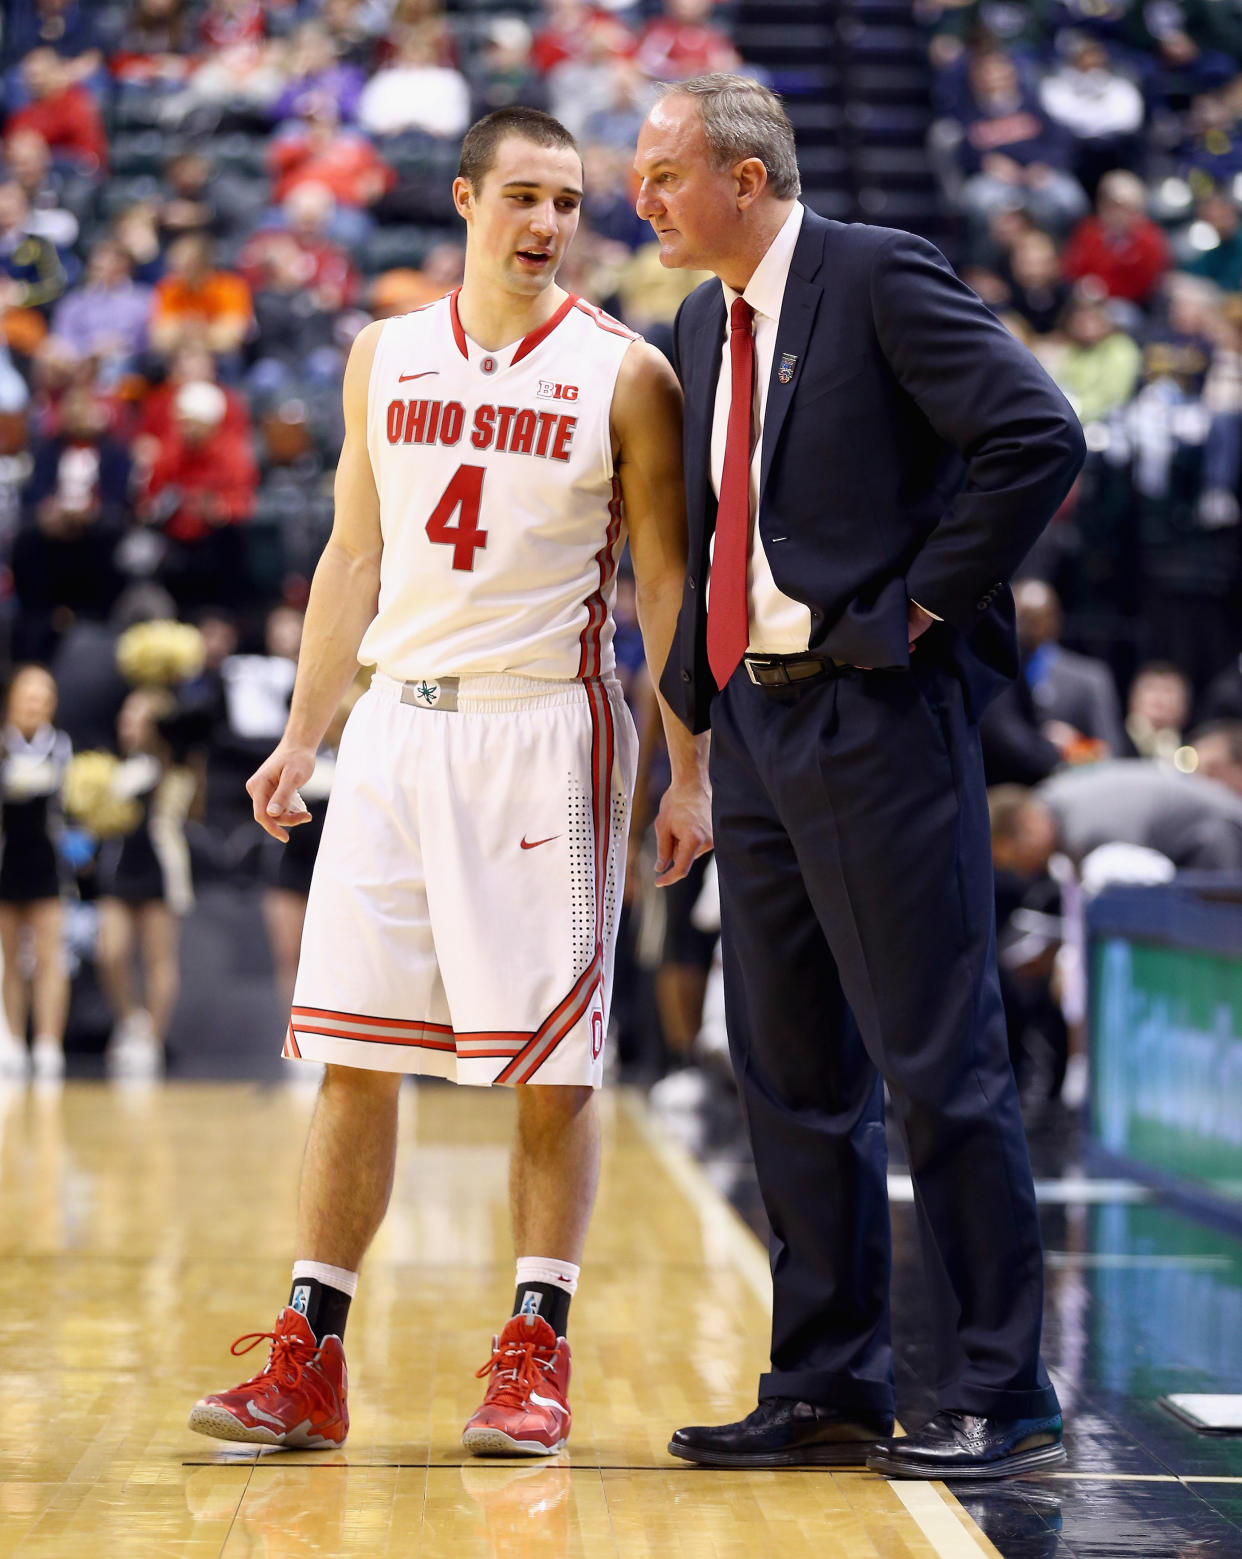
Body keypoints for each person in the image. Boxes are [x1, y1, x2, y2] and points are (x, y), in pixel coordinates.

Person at [188, 106, 709, 1458]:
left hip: (550, 731)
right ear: (467, 199)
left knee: (552, 1067)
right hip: (396, 735)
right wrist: (308, 728)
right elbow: (352, 556)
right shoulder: (384, 351)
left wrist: (687, 765)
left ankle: (536, 1348)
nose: (547, 223)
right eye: (524, 196)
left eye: (569, 203)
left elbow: (662, 586)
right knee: (351, 1056)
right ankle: (309, 1355)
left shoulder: (623, 372)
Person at [635, 73, 1084, 1479]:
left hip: (879, 718)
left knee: (938, 1064)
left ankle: (1000, 1389)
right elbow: (723, 522)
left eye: (660, 176)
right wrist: (695, 734)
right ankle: (826, 1374)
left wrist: (919, 607)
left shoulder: (875, 273)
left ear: (745, 179)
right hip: (758, 729)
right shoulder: (700, 319)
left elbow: (1035, 433)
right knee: (788, 1070)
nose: (637, 200)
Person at [95, 687, 196, 1078]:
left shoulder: (175, 766)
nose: (128, 725)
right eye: (126, 717)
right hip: (121, 867)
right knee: (112, 950)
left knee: (158, 958)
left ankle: (152, 1039)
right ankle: (130, 1021)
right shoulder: (111, 767)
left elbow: (178, 805)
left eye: (137, 717)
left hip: (160, 867)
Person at [0, 666, 72, 1082]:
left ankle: (48, 1044)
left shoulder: (62, 748)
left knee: (49, 957)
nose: (34, 703)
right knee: (10, 959)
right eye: (27, 694)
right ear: (12, 699)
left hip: (47, 863)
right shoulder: (4, 747)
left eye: (43, 696)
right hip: (7, 863)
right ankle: (11, 1040)